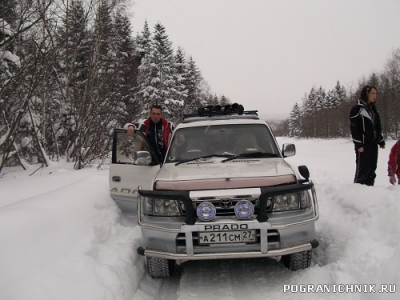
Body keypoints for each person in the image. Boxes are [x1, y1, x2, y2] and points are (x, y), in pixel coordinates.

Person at [349, 85, 385, 186]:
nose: (374, 96)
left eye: (376, 94)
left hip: (373, 143)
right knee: (362, 171)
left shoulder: (373, 110)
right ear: (367, 94)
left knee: (372, 171)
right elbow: (354, 128)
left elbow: (377, 127)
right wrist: (358, 144)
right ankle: (358, 195)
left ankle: (369, 194)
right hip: (363, 145)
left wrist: (380, 140)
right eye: (372, 93)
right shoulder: (357, 109)